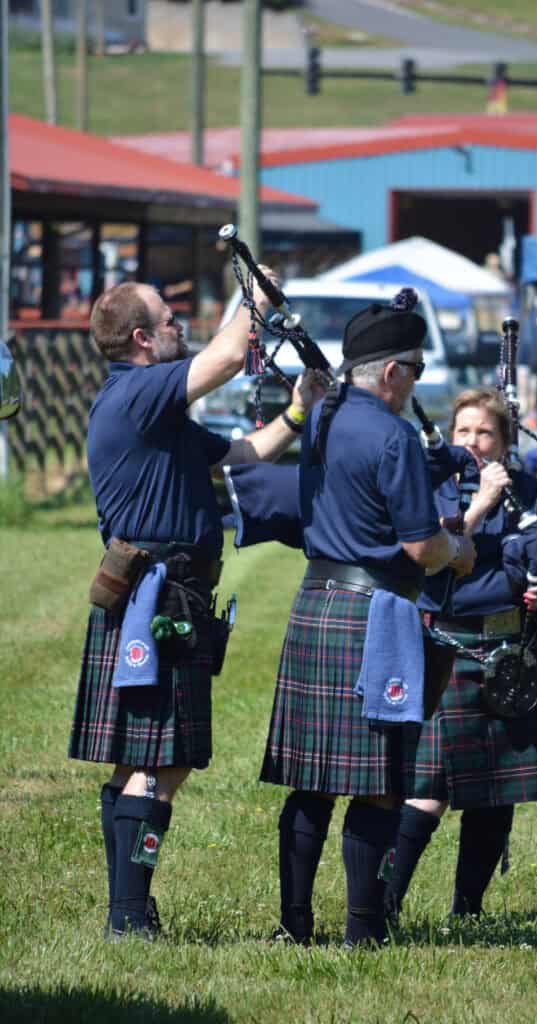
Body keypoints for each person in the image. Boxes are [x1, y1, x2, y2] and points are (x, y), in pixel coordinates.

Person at [69, 277, 319, 939]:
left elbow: (244, 455)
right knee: (161, 762)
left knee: (141, 763)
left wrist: (297, 411)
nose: (183, 326)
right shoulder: (138, 390)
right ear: (144, 337)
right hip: (157, 598)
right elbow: (231, 356)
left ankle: (130, 907)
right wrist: (257, 294)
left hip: (170, 597)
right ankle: (128, 915)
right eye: (171, 318)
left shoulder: (161, 412)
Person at [259, 292, 476, 948]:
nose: (413, 384)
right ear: (390, 373)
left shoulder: (320, 417)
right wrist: (458, 553)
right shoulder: (392, 434)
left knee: (309, 780)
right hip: (377, 613)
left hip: (316, 602)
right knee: (379, 783)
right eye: (411, 370)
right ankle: (363, 933)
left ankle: (293, 925)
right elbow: (420, 547)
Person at [385, 387, 537, 924]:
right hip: (449, 647)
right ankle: (383, 904)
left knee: (496, 792)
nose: (472, 441)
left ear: (504, 440)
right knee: (428, 790)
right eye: (464, 431)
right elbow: (434, 561)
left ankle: (467, 910)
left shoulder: (530, 489)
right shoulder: (432, 487)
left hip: (514, 650)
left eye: (485, 432)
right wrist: (479, 503)